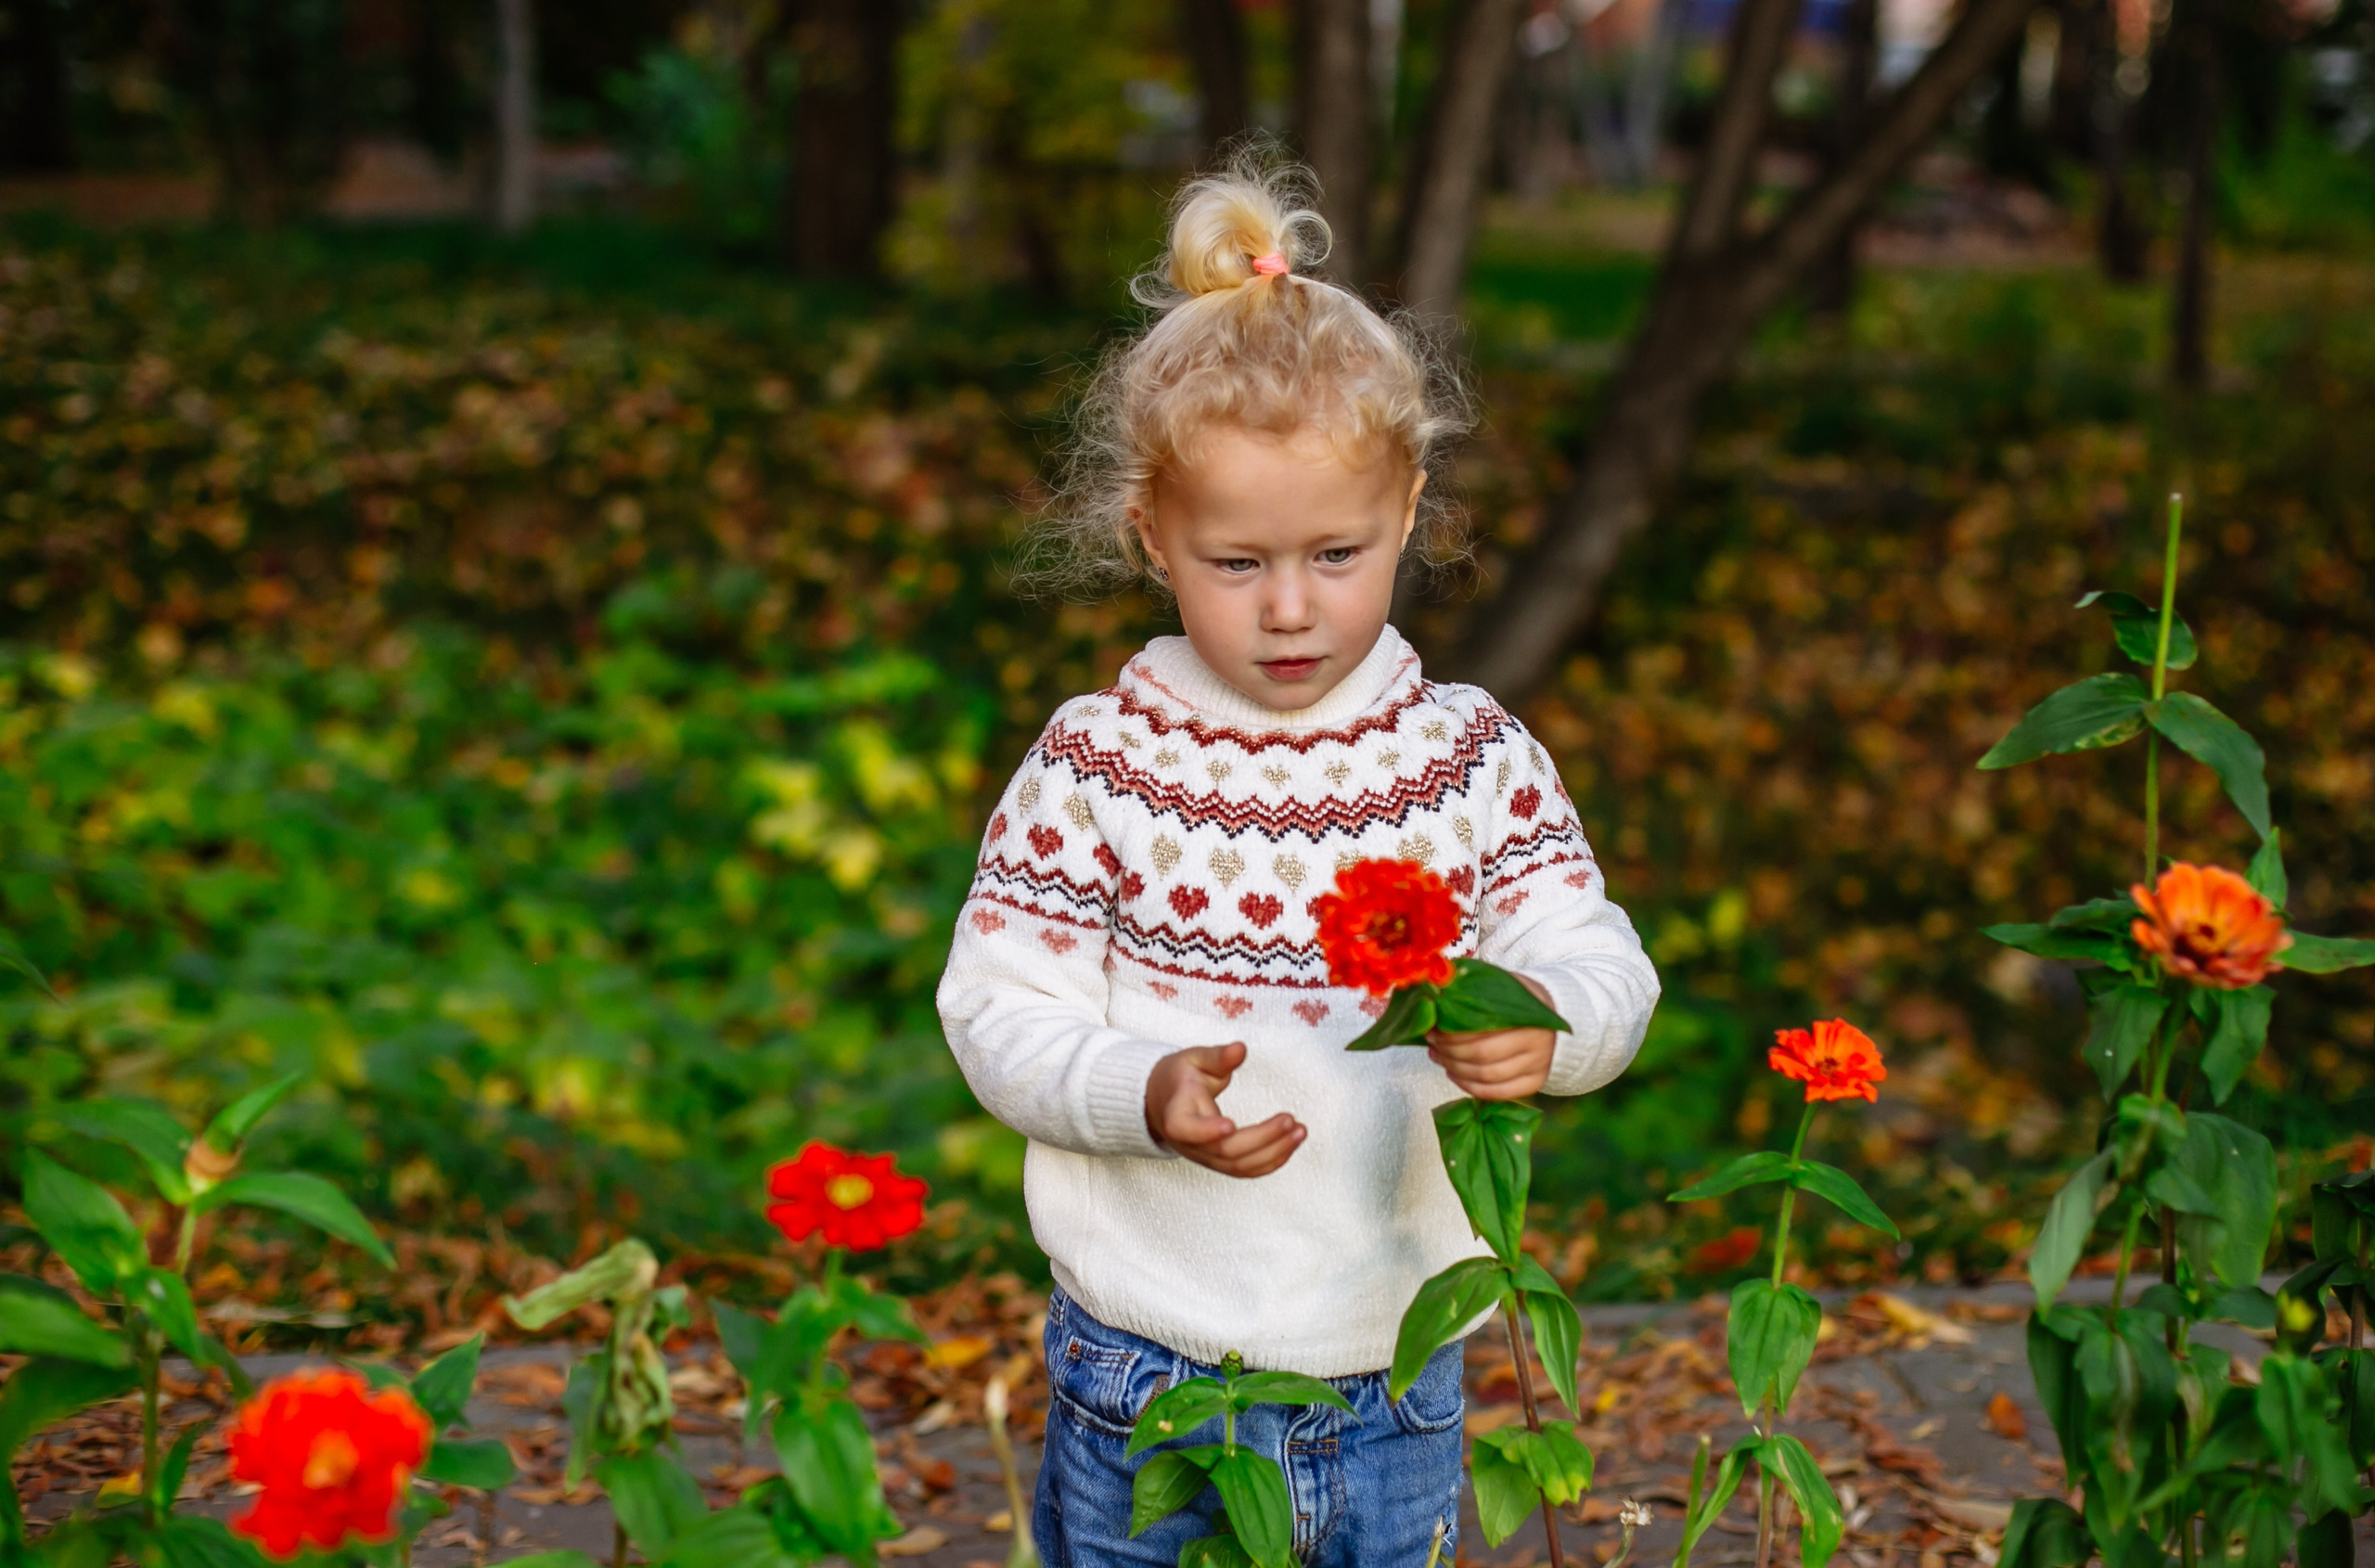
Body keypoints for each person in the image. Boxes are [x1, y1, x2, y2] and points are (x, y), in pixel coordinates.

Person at [935, 156, 1660, 1566]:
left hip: (1398, 1362)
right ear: (1154, 535)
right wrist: (1137, 1088)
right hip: (1148, 1366)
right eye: (1234, 561)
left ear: (1405, 513)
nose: (1288, 607)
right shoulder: (1102, 765)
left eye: (1334, 552)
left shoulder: (1462, 758)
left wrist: (1552, 1029)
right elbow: (993, 1005)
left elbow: (1594, 951)